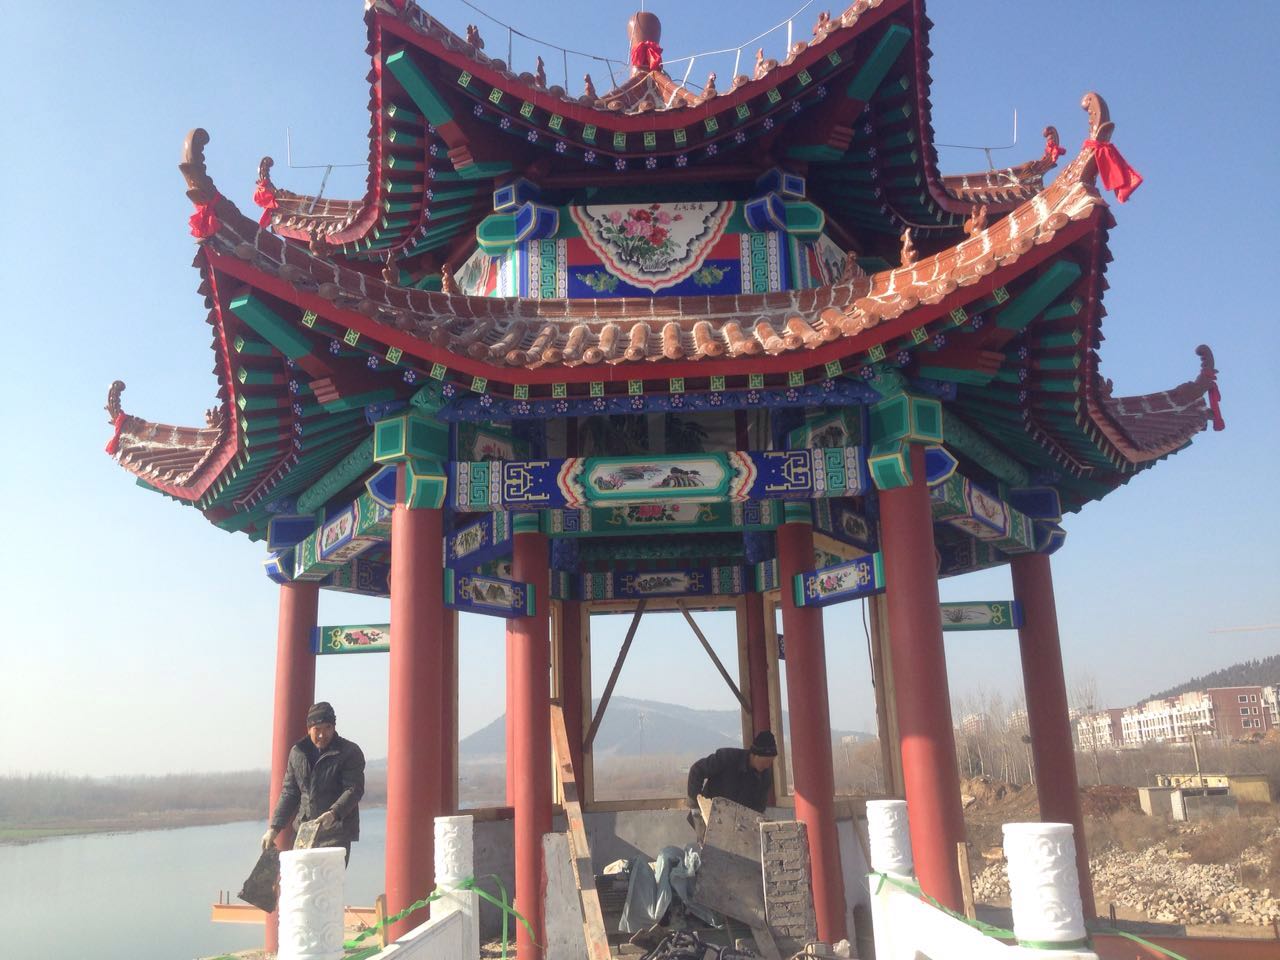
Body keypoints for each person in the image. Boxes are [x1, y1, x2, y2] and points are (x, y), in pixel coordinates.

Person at [261, 701, 366, 864]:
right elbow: (290, 792)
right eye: (317, 729)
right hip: (304, 831)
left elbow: (354, 789)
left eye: (327, 728)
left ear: (334, 727)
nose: (322, 735)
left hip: (336, 832)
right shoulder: (298, 753)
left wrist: (334, 813)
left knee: (327, 877)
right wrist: (274, 828)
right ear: (309, 729)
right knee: (300, 875)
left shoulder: (349, 752)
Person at [686, 730, 777, 837]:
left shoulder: (764, 776)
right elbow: (697, 770)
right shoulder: (727, 758)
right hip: (709, 817)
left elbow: (759, 808)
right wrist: (695, 807)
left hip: (737, 827)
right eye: (766, 761)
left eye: (770, 762)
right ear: (754, 755)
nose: (767, 766)